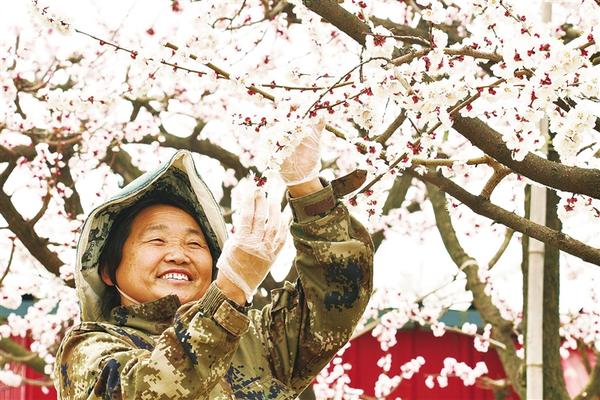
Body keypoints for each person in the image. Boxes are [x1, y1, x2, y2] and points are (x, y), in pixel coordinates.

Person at [54, 123, 374, 399]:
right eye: (157, 240)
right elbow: (149, 390)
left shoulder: (256, 340)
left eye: (195, 243)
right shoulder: (88, 349)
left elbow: (337, 302)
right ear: (108, 271)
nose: (179, 254)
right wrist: (230, 291)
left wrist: (306, 188)